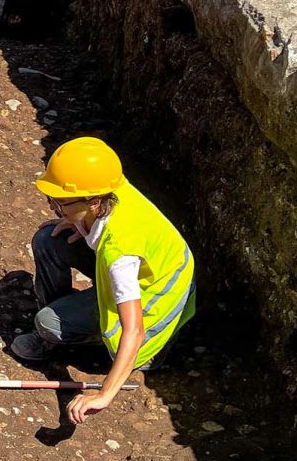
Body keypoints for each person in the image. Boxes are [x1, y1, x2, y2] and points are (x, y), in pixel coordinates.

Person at [12, 137, 196, 423]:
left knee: (47, 322)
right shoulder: (111, 186)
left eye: (60, 203)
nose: (52, 207)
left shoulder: (119, 253)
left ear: (94, 202)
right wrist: (76, 222)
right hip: (155, 274)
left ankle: (65, 335)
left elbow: (133, 330)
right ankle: (61, 326)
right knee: (49, 239)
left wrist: (105, 393)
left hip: (153, 314)